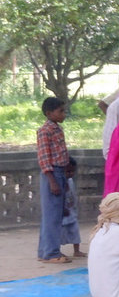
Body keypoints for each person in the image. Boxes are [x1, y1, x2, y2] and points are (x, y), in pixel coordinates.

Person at [36, 97, 72, 263]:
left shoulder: (57, 129)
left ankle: (46, 251)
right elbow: (44, 158)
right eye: (60, 111)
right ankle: (51, 252)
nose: (64, 114)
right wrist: (52, 181)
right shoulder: (45, 131)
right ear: (49, 113)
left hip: (60, 173)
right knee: (52, 216)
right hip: (52, 174)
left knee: (55, 215)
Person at [61, 157, 86, 258]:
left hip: (71, 211)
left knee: (75, 232)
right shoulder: (59, 183)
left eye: (72, 171)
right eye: (67, 171)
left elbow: (73, 195)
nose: (70, 174)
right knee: (60, 233)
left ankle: (77, 250)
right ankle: (57, 250)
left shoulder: (70, 181)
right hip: (62, 214)